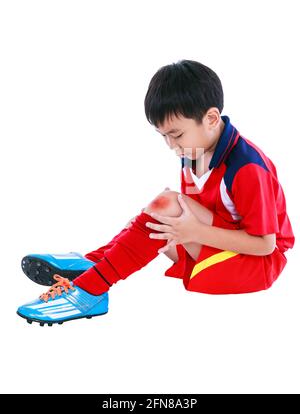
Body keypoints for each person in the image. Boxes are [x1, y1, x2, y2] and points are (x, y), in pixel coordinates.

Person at [17, 60, 295, 326]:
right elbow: (191, 210)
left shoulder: (248, 168)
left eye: (176, 134)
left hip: (258, 263)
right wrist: (163, 223)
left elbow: (265, 245)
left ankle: (92, 288)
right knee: (150, 220)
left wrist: (191, 232)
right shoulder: (194, 149)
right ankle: (94, 262)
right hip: (220, 244)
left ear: (210, 118)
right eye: (163, 136)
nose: (170, 145)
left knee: (164, 208)